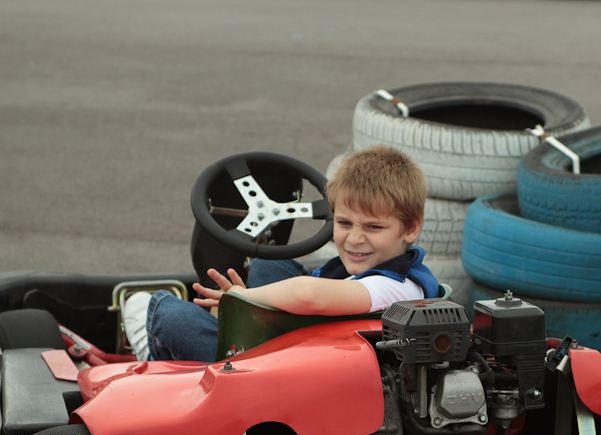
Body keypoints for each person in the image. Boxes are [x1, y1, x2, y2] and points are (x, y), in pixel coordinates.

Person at [123, 145, 439, 363]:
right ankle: (238, 330)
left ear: (410, 228)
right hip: (304, 351)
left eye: (372, 227)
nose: (354, 238)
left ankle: (157, 357)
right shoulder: (373, 272)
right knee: (271, 263)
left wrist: (243, 300)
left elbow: (307, 294)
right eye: (344, 223)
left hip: (279, 375)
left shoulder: (401, 288)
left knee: (166, 312)